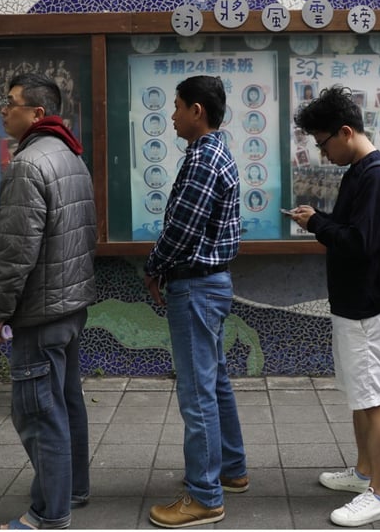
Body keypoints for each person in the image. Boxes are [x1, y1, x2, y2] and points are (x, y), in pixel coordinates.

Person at [0, 73, 95, 530]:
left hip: (41, 310)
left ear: (38, 114)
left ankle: (50, 513)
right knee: (66, 403)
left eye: (11, 103)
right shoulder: (69, 155)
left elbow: (15, 252)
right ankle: (73, 489)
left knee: (37, 411)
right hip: (69, 304)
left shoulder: (28, 165)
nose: (3, 111)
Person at [286, 86, 380, 527]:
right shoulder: (359, 171)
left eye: (323, 143)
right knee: (360, 396)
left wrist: (318, 223)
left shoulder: (377, 177)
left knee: (374, 398)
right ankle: (363, 473)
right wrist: (318, 219)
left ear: (346, 131)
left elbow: (362, 244)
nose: (321, 152)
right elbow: (351, 230)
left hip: (367, 306)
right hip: (353, 303)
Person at [143, 75, 247, 528]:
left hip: (197, 287)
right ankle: (231, 470)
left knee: (197, 391)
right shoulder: (215, 151)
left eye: (177, 106)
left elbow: (182, 229)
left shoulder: (204, 158)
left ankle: (204, 496)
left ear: (197, 111)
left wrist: (153, 267)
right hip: (211, 283)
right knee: (215, 380)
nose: (172, 115)